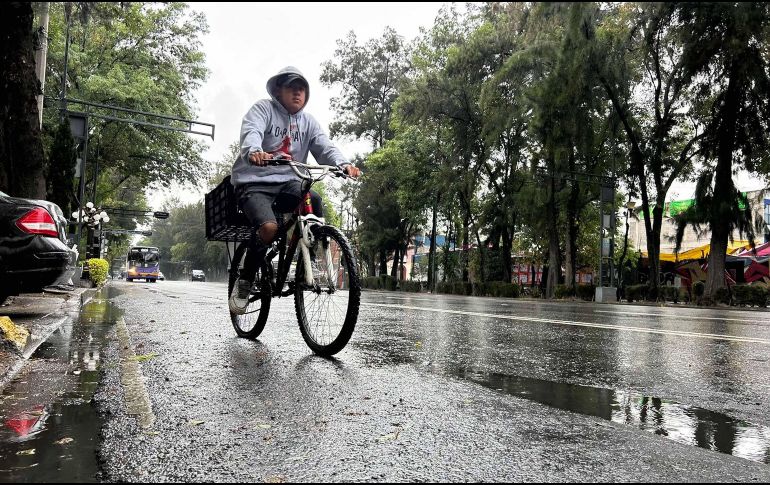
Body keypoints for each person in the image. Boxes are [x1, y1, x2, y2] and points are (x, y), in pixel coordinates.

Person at [228, 66, 360, 314]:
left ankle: (311, 259)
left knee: (313, 200)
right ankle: (245, 279)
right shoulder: (263, 109)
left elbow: (325, 147)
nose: (298, 93)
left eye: (302, 89)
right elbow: (251, 131)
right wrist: (254, 151)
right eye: (292, 88)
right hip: (254, 183)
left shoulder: (308, 122)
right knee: (269, 228)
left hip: (289, 182)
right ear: (279, 90)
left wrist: (343, 164)